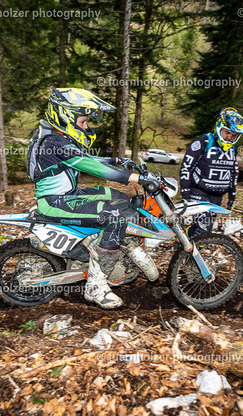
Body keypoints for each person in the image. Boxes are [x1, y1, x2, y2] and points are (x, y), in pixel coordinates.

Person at [27, 87, 157, 309]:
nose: (86, 127)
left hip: (67, 195)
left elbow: (84, 158)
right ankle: (95, 286)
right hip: (55, 202)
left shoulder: (58, 138)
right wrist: (136, 178)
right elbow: (91, 167)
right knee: (114, 217)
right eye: (83, 122)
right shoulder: (55, 143)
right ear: (66, 116)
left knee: (118, 197)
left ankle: (120, 243)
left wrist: (117, 161)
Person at [180, 107, 243, 238]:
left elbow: (233, 172)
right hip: (199, 192)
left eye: (234, 135)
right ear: (219, 128)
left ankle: (183, 242)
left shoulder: (232, 148)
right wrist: (185, 195)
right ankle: (186, 246)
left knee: (205, 230)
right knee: (203, 230)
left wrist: (232, 196)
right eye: (227, 133)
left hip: (217, 196)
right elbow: (186, 167)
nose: (230, 137)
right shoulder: (203, 142)